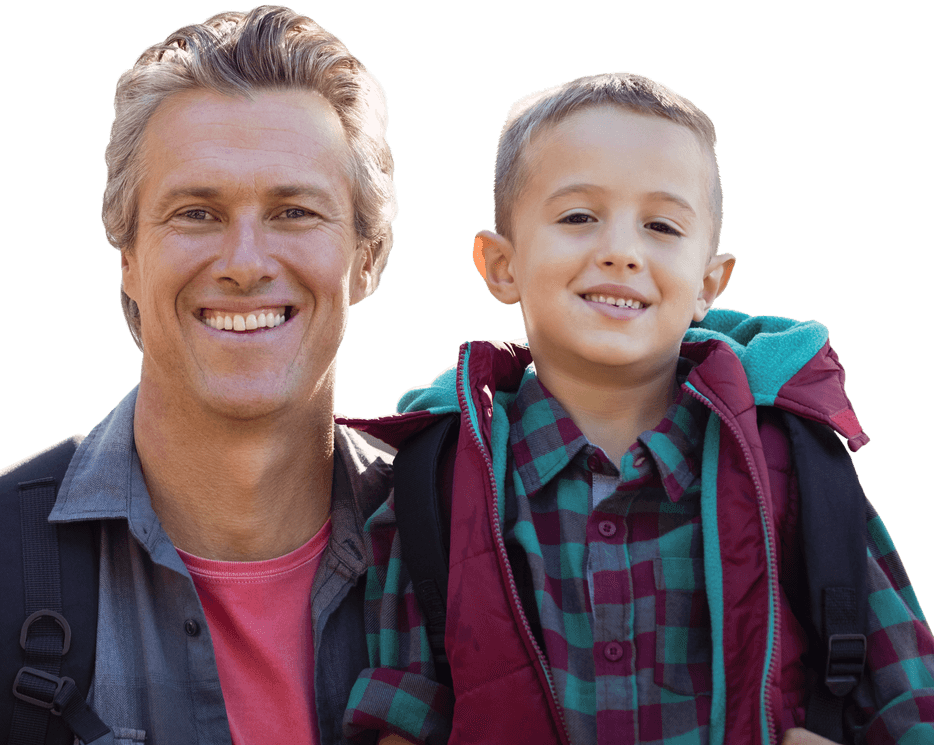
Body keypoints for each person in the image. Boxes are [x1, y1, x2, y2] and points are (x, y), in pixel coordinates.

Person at [0, 6, 399, 744]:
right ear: (130, 261)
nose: (245, 263)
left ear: (367, 258)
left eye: (295, 211)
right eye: (197, 213)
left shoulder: (470, 551)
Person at [341, 72, 934, 744]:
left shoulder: (790, 464)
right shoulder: (440, 485)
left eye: (661, 225)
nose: (622, 252)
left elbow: (909, 701)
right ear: (501, 264)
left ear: (709, 282)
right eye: (578, 217)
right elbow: (402, 713)